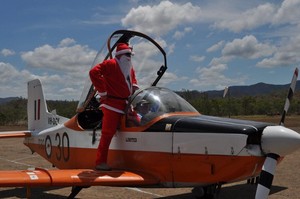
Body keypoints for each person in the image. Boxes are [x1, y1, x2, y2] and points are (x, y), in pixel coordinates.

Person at [89, 43, 139, 171]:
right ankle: (100, 162)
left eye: (131, 55)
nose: (130, 57)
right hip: (111, 105)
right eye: (128, 54)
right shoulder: (110, 63)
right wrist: (103, 91)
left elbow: (132, 79)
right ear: (120, 54)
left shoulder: (129, 66)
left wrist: (134, 86)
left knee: (139, 123)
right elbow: (93, 72)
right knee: (108, 133)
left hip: (126, 104)